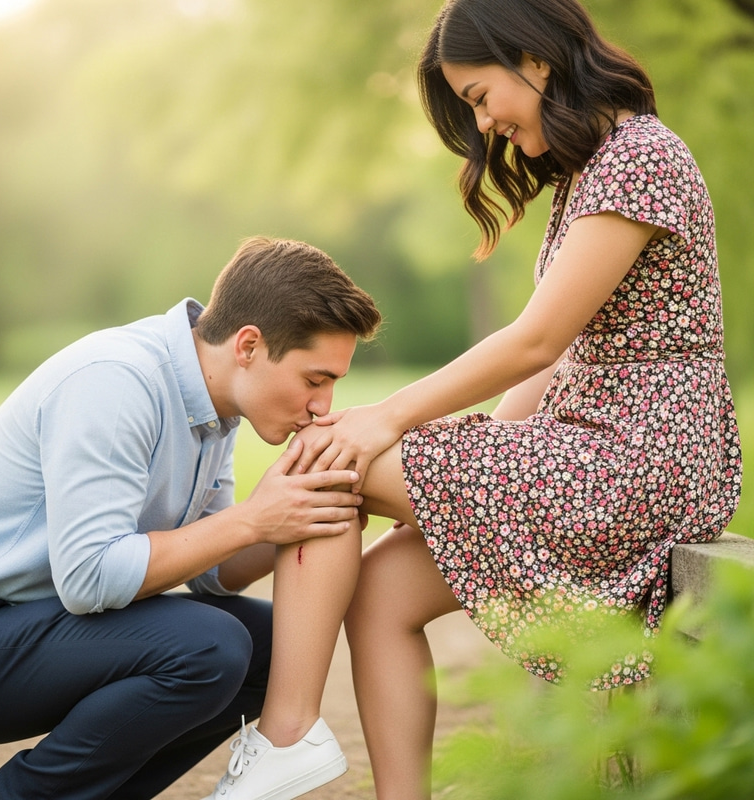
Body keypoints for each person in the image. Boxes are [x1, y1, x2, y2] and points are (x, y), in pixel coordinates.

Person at [199, 1, 743, 799]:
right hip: (593, 451)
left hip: (643, 464)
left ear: (537, 59)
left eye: (482, 96)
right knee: (380, 590)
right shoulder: (594, 169)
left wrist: (396, 424)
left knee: (350, 443)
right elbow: (548, 368)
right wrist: (463, 467)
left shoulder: (641, 158)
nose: (483, 124)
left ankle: (279, 710)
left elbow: (536, 342)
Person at [0, 235, 381, 800]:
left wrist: (299, 514)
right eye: (314, 379)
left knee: (278, 648)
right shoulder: (116, 381)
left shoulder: (214, 406)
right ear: (248, 345)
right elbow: (89, 578)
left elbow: (210, 571)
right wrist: (254, 520)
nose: (323, 406)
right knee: (209, 647)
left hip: (26, 631)